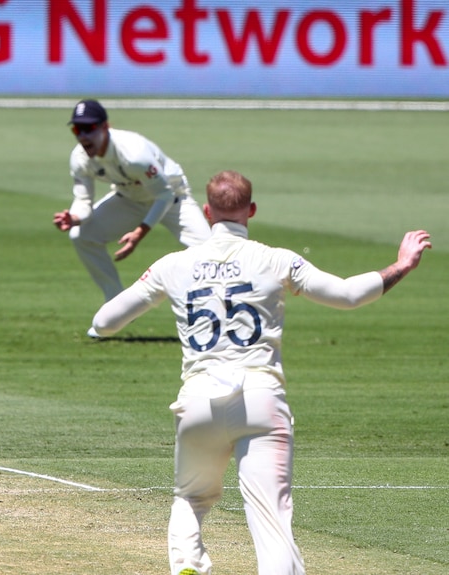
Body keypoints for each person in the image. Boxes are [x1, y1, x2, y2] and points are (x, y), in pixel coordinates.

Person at [92, 170, 431, 575]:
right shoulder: (276, 259)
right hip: (261, 400)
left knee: (191, 498)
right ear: (250, 211)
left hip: (198, 402)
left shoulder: (173, 265)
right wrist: (402, 265)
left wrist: (156, 287)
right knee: (271, 517)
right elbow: (348, 295)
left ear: (206, 212)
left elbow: (105, 321)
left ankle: (189, 566)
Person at [53, 99, 211, 336]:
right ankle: (117, 307)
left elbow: (164, 194)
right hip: (129, 199)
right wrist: (74, 216)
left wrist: (140, 232)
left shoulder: (134, 154)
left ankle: (224, 316)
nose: (83, 136)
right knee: (82, 234)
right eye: (77, 129)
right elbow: (83, 201)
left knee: (211, 253)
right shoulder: (80, 158)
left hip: (173, 199)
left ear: (105, 127)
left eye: (89, 128)